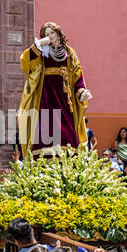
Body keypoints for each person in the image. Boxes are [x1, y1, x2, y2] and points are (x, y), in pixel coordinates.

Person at [18, 21, 92, 159]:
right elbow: (28, 64)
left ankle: (70, 162)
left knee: (67, 131)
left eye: (52, 32)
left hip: (65, 98)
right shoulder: (43, 52)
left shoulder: (70, 53)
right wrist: (39, 45)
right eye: (46, 34)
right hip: (46, 97)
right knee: (45, 129)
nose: (50, 36)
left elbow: (78, 77)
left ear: (58, 33)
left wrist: (82, 92)